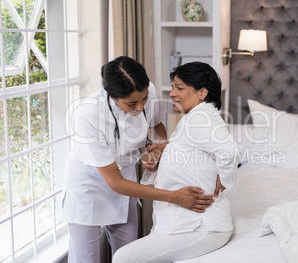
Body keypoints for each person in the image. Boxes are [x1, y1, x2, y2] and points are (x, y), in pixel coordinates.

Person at [62, 56, 215, 263]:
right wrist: (173, 196)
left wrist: (158, 150)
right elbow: (114, 183)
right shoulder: (88, 114)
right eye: (132, 103)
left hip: (126, 181)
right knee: (86, 259)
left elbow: (156, 123)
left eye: (143, 99)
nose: (141, 106)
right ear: (111, 95)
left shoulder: (147, 90)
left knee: (130, 254)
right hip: (89, 186)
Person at [113, 61, 240, 262]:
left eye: (179, 88)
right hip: (190, 222)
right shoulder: (195, 118)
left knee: (123, 258)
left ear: (202, 93)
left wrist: (225, 179)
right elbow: (199, 152)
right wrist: (167, 150)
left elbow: (230, 151)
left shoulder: (201, 119)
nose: (172, 93)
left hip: (202, 225)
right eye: (172, 87)